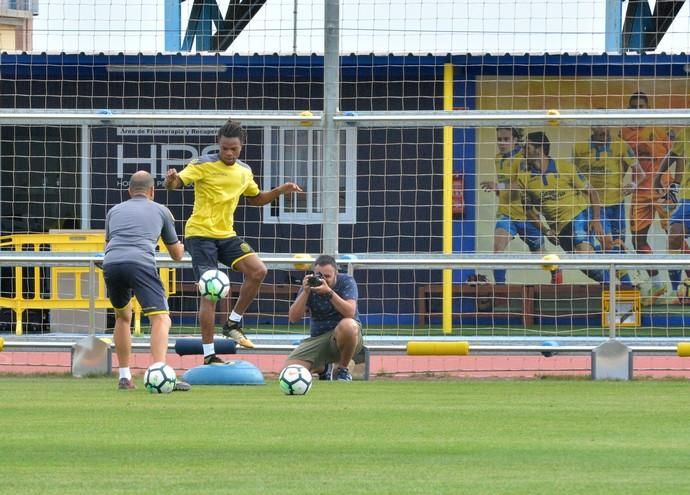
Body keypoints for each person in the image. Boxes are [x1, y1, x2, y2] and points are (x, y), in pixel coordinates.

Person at [165, 120, 302, 365]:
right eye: (225, 148)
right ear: (218, 144)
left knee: (259, 270)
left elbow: (256, 199)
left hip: (226, 235)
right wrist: (171, 179)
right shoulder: (202, 164)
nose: (229, 153)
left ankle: (233, 322)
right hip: (200, 235)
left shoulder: (244, 171)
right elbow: (175, 184)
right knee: (210, 293)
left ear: (241, 148)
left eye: (234, 149)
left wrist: (280, 190)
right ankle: (209, 355)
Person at [102, 170, 188, 391]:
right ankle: (160, 373)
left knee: (122, 317)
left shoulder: (114, 211)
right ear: (152, 191)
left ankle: (124, 376)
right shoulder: (161, 210)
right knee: (161, 319)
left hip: (111, 263)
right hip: (140, 263)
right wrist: (185, 245)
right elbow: (176, 255)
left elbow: (110, 242)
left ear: (129, 191)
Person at [516, 132, 609, 284]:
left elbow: (592, 192)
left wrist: (596, 219)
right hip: (559, 230)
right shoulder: (524, 178)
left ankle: (618, 289)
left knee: (584, 257)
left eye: (527, 147)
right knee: (587, 267)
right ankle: (614, 270)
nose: (523, 151)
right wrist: (546, 231)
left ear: (539, 149)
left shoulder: (565, 167)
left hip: (578, 216)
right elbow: (528, 211)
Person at [481, 127, 562, 284]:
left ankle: (556, 271)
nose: (501, 143)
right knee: (497, 250)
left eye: (506, 139)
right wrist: (500, 193)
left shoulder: (524, 159)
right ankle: (500, 288)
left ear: (515, 140)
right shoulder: (498, 159)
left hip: (527, 216)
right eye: (499, 139)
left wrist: (499, 187)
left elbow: (522, 184)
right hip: (506, 214)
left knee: (541, 254)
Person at [572, 123, 645, 286]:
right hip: (593, 206)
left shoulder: (620, 145)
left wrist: (633, 185)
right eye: (598, 126)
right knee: (608, 243)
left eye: (606, 125)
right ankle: (622, 286)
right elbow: (572, 176)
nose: (603, 130)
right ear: (592, 127)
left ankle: (621, 287)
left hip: (617, 205)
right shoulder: (579, 148)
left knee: (618, 247)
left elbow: (640, 173)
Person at [620, 92, 676, 301]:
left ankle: (686, 285)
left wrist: (673, 183)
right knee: (637, 239)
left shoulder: (659, 129)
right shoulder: (624, 132)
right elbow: (624, 159)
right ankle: (657, 285)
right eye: (633, 106)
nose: (637, 109)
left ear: (648, 108)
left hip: (663, 189)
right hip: (640, 192)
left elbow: (676, 155)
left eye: (641, 106)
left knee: (676, 235)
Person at [286, 254, 363, 381]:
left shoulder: (346, 281)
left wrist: (329, 293)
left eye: (327, 276)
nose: (323, 280)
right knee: (290, 372)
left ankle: (342, 370)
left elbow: (350, 312)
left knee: (348, 325)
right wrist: (305, 292)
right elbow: (293, 318)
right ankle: (323, 368)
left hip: (346, 337)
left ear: (336, 274)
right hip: (319, 339)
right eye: (320, 276)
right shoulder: (310, 285)